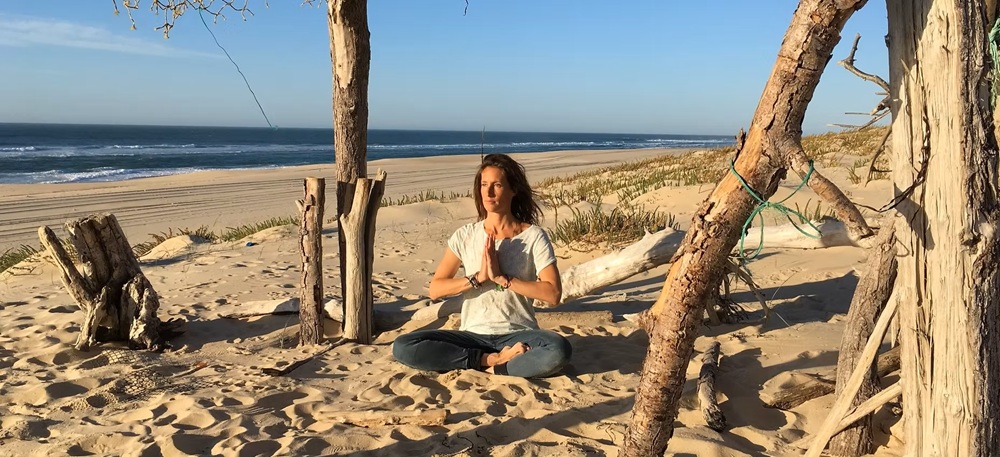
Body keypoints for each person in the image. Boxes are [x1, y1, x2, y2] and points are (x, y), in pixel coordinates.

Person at [392, 154, 572, 378]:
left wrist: (503, 279)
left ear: (513, 189)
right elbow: (436, 289)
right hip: (472, 335)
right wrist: (477, 278)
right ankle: (491, 361)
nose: (489, 193)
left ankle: (490, 365)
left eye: (497, 185)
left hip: (518, 334)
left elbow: (553, 294)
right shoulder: (465, 235)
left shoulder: (533, 236)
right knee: (403, 345)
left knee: (558, 349)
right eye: (484, 185)